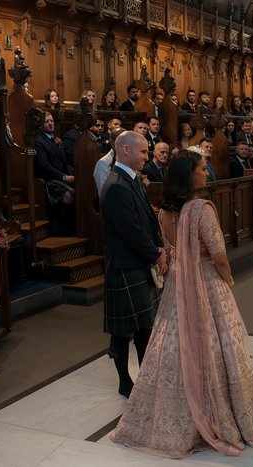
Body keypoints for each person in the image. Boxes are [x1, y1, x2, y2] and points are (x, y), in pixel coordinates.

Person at [109, 150, 253, 458]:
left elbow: (170, 250)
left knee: (171, 343)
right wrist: (228, 280)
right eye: (202, 169)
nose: (207, 174)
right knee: (215, 344)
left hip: (177, 284)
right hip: (205, 283)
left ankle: (164, 415)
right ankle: (222, 411)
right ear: (189, 174)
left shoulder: (163, 211)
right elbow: (219, 255)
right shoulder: (201, 209)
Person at [100, 130, 167, 398]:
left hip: (137, 260)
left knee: (143, 327)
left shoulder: (131, 179)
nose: (146, 157)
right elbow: (131, 231)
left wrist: (159, 244)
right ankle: (125, 382)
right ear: (125, 150)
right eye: (142, 152)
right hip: (125, 265)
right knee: (122, 331)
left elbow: (148, 218)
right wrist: (156, 255)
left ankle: (146, 376)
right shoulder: (116, 184)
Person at [34, 112, 75, 235]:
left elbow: (66, 161)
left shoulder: (57, 139)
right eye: (47, 121)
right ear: (40, 125)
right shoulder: (38, 141)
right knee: (68, 194)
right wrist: (63, 177)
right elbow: (44, 166)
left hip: (61, 176)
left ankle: (73, 226)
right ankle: (60, 227)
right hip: (47, 179)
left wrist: (71, 174)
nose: (50, 123)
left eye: (51, 121)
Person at [94, 127, 126, 195]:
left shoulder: (129, 159)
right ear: (111, 142)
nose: (125, 144)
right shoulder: (103, 163)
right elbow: (104, 193)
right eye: (121, 140)